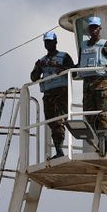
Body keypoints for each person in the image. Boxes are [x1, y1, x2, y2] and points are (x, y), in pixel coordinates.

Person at [78, 16, 107, 153]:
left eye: (95, 27)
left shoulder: (105, 44)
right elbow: (78, 64)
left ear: (99, 29)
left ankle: (104, 142)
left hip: (101, 84)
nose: (93, 30)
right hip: (88, 85)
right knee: (89, 115)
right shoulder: (84, 45)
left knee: (102, 114)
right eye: (91, 27)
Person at [30, 30, 76, 158]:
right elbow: (33, 77)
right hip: (48, 95)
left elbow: (74, 71)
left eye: (50, 41)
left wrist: (61, 69)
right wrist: (39, 66)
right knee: (51, 121)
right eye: (46, 42)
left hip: (61, 93)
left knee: (59, 121)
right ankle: (58, 150)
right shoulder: (41, 61)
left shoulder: (64, 57)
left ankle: (59, 151)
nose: (48, 44)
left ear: (55, 42)